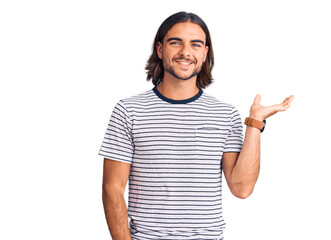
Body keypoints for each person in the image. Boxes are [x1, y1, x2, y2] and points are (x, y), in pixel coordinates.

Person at [98, 11, 294, 240]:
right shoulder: (128, 111)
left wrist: (255, 123)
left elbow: (241, 188)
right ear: (160, 50)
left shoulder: (225, 113)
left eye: (196, 44)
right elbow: (112, 189)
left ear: (205, 53)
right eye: (175, 42)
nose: (186, 52)